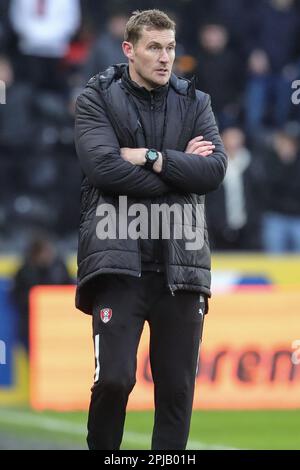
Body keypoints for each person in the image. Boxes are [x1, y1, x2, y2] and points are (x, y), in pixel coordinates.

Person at [74, 9, 227, 450]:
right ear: (129, 50)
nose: (165, 58)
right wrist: (181, 166)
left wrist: (150, 156)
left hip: (182, 268)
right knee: (115, 382)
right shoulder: (96, 97)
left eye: (171, 48)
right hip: (119, 264)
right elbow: (104, 170)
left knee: (177, 393)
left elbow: (213, 170)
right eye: (154, 47)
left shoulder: (196, 101)